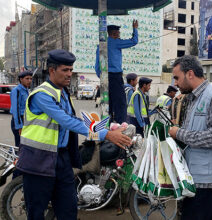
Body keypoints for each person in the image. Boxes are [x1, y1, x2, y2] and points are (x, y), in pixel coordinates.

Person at [16, 49, 132, 220]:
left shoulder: (62, 92)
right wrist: (106, 134)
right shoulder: (42, 95)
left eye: (71, 70)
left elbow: (74, 119)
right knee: (36, 212)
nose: (69, 74)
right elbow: (67, 121)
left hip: (61, 158)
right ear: (52, 71)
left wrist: (107, 127)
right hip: (38, 160)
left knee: (68, 209)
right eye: (65, 70)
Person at [168, 55, 212, 220]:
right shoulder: (194, 97)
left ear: (190, 74)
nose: (175, 83)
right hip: (195, 176)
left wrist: (179, 133)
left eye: (177, 78)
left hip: (206, 180)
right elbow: (195, 130)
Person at [95, 20, 139, 124]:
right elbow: (134, 41)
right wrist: (135, 29)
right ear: (114, 34)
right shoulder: (116, 42)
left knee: (107, 102)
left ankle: (107, 123)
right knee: (120, 103)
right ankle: (121, 125)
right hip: (115, 76)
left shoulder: (101, 45)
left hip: (105, 76)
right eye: (118, 33)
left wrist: (101, 76)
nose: (119, 36)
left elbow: (97, 65)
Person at [10, 70, 32, 147]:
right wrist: (19, 126)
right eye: (27, 78)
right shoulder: (16, 90)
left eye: (30, 79)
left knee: (24, 145)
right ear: (21, 79)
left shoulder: (26, 90)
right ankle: (15, 158)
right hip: (19, 121)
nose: (29, 81)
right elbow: (16, 110)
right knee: (20, 145)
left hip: (26, 120)